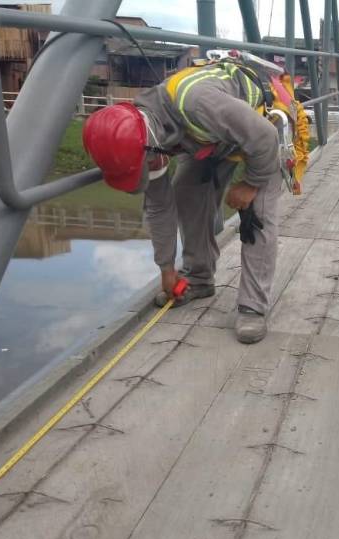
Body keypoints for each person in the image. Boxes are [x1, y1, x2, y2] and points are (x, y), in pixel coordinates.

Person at [82, 54, 309, 344]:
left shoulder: (196, 103)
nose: (150, 170)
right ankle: (199, 278)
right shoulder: (142, 136)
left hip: (264, 128)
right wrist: (166, 269)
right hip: (212, 137)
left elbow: (263, 138)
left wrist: (250, 184)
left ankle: (253, 306)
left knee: (257, 216)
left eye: (148, 165)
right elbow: (160, 207)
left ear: (150, 146)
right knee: (186, 193)